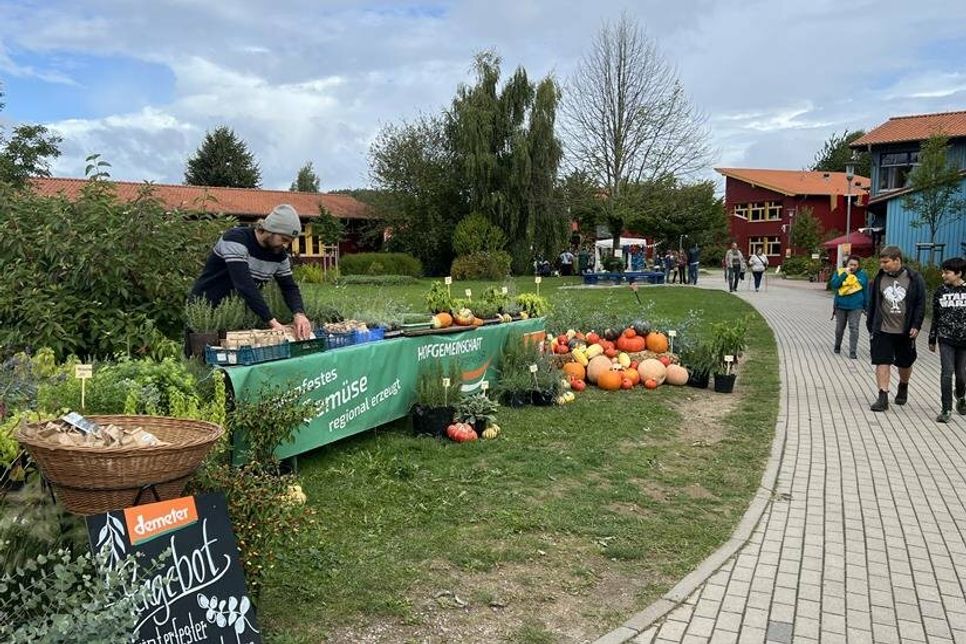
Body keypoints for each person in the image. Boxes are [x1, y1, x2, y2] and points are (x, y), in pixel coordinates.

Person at [191, 204, 312, 340]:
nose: (285, 245)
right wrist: (272, 322)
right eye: (284, 239)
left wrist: (299, 314)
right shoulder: (236, 239)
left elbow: (289, 287)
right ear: (270, 229)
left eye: (289, 242)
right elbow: (244, 285)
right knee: (202, 357)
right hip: (206, 311)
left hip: (236, 315)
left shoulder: (279, 255)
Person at [866, 246, 926, 412]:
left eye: (886, 262)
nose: (883, 265)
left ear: (897, 260)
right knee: (881, 361)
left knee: (905, 363)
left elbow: (920, 304)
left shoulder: (914, 278)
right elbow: (873, 301)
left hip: (905, 330)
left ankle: (903, 384)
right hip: (883, 329)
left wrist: (916, 325)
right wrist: (871, 324)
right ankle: (882, 396)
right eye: (881, 262)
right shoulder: (879, 278)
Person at [928, 257, 966, 423]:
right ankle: (946, 408)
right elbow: (935, 316)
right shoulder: (940, 291)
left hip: (964, 340)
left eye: (947, 272)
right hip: (946, 338)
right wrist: (932, 337)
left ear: (959, 273)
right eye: (943, 272)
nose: (943, 275)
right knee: (947, 372)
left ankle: (961, 395)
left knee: (961, 375)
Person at [829, 255, 868, 359]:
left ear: (858, 266)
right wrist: (845, 274)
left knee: (854, 328)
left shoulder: (862, 275)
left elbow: (865, 291)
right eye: (851, 264)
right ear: (847, 264)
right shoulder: (840, 272)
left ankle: (853, 351)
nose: (853, 266)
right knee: (839, 328)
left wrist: (866, 307)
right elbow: (834, 284)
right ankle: (837, 345)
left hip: (856, 306)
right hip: (841, 305)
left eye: (855, 265)